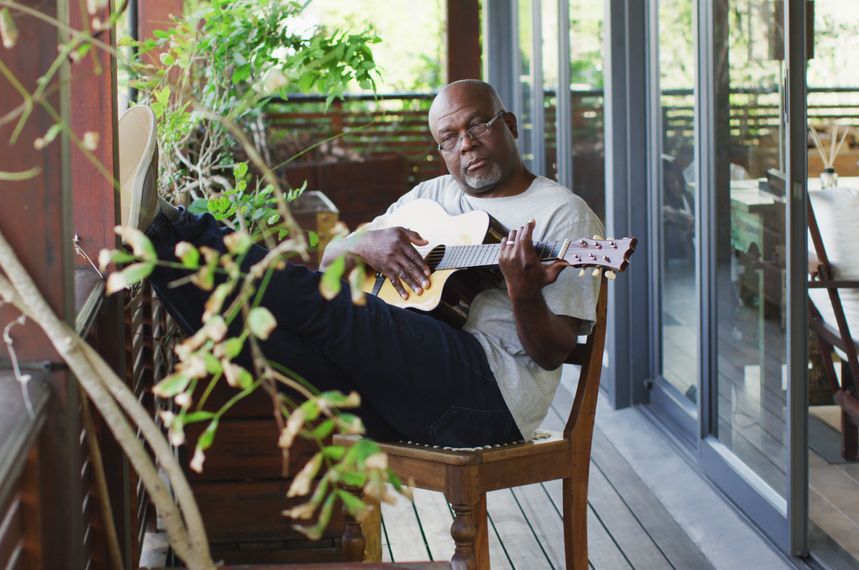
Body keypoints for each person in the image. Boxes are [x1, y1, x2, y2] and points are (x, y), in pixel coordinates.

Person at [145, 79, 603, 447]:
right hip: (405, 389)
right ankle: (153, 244)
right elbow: (331, 262)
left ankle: (181, 225)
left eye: (478, 125)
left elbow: (553, 353)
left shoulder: (562, 214)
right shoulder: (430, 197)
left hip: (488, 401)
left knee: (337, 308)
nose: (466, 144)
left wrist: (523, 295)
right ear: (441, 152)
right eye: (449, 137)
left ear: (509, 124)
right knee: (263, 346)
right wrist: (364, 242)